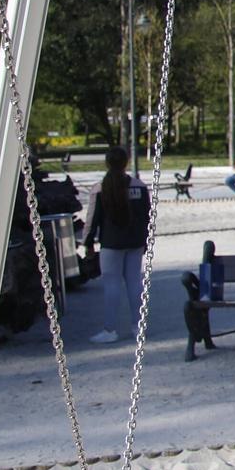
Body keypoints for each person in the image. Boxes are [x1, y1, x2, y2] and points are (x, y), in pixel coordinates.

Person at [85, 145, 152, 344]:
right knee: (134, 283)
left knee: (112, 286)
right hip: (135, 241)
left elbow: (92, 218)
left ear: (107, 163)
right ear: (126, 163)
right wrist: (146, 239)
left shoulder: (101, 188)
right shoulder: (139, 186)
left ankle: (110, 329)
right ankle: (138, 327)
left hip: (111, 242)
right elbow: (147, 217)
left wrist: (88, 243)